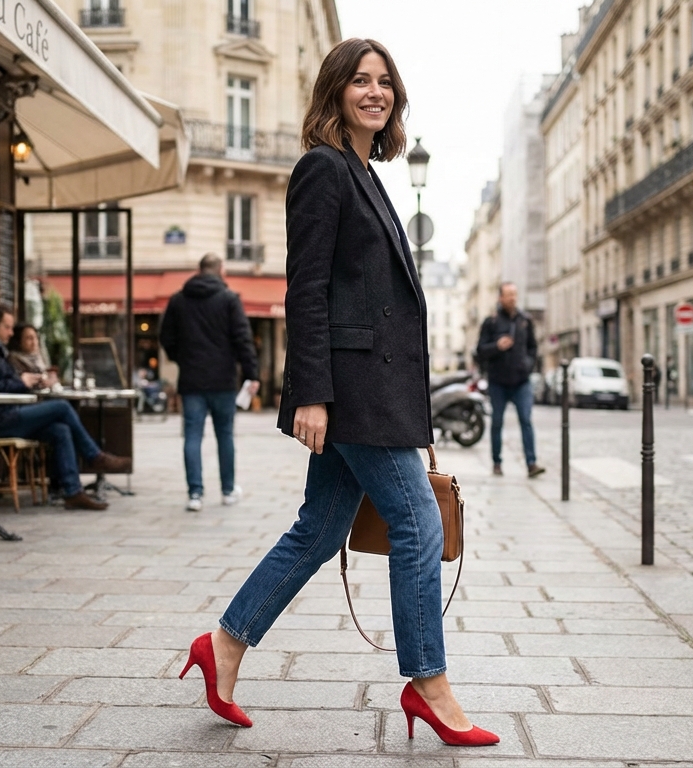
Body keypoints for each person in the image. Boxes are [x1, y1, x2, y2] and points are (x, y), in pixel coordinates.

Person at [177, 38, 498, 747]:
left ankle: (223, 644)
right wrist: (312, 394)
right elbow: (308, 287)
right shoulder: (323, 168)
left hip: (372, 388)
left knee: (320, 530)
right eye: (360, 80)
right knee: (418, 524)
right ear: (335, 92)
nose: (375, 92)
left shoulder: (364, 172)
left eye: (385, 81)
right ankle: (428, 683)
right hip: (354, 390)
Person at [0, 304, 127, 511]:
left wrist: (29, 381)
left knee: (60, 430)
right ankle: (95, 456)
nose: (11, 333)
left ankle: (73, 492)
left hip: (8, 414)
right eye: (7, 327)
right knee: (61, 407)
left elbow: (5, 383)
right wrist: (22, 382)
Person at [159, 253, 261, 512]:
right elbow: (243, 339)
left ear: (199, 269)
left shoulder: (178, 300)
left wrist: (182, 359)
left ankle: (195, 494)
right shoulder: (229, 299)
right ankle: (228, 490)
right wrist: (252, 374)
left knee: (192, 435)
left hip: (191, 380)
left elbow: (166, 337)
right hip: (223, 380)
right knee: (225, 435)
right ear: (221, 270)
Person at [476, 283, 543, 478]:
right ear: (500, 298)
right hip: (498, 381)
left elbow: (533, 348)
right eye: (509, 295)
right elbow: (480, 351)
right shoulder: (491, 321)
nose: (513, 298)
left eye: (514, 294)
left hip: (521, 381)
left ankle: (531, 463)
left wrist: (527, 365)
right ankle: (497, 462)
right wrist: (497, 346)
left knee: (526, 420)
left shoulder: (525, 320)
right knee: (497, 422)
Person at [7, 324, 58, 391]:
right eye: (29, 338)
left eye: (36, 337)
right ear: (19, 341)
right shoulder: (14, 359)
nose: (34, 342)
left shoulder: (40, 357)